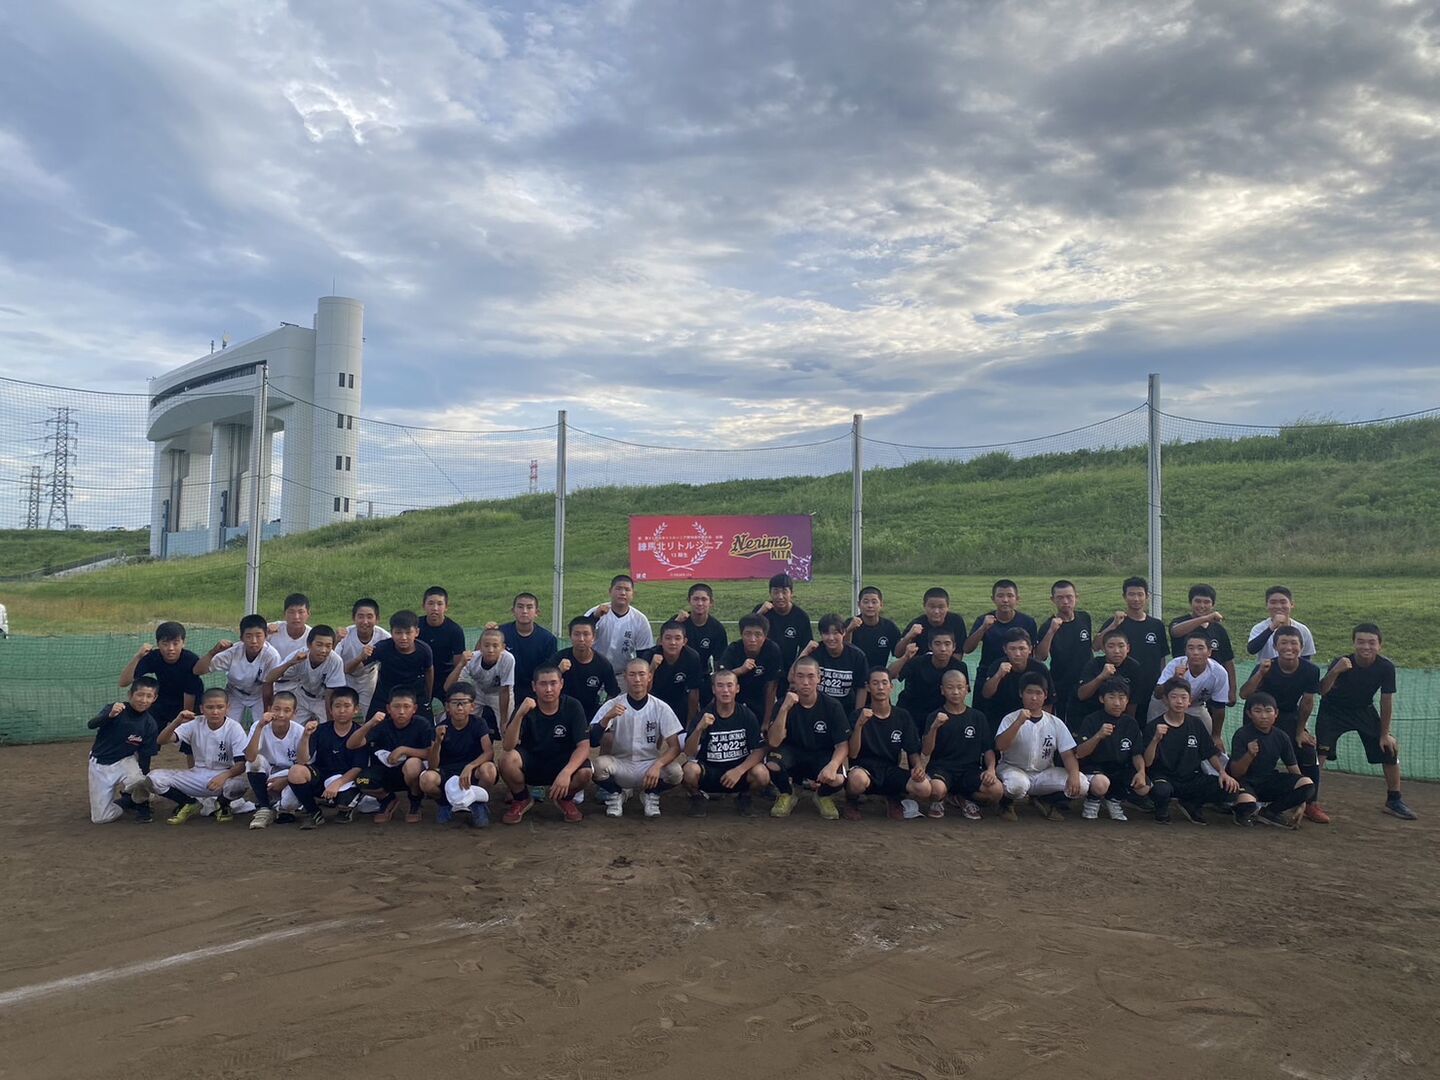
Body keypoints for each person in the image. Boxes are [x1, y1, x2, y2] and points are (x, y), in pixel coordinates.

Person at [1316, 623, 1415, 820]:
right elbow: (1322, 690)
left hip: (1364, 710)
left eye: (1371, 642)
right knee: (1320, 754)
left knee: (1389, 748)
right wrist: (1335, 671)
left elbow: (1386, 700)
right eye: (1360, 642)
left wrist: (1384, 734)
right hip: (1332, 711)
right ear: (1354, 643)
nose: (1366, 647)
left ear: (1380, 645)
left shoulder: (1386, 667)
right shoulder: (1341, 662)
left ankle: (1394, 800)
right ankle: (1309, 801)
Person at [1240, 625, 1326, 823]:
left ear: (1302, 647)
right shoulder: (1266, 666)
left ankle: (1309, 802)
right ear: (1275, 646)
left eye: (1294, 643)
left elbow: (1307, 702)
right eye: (1283, 643)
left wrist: (1300, 731)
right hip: (1260, 716)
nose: (1289, 647)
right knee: (1254, 753)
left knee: (1307, 750)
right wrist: (1260, 674)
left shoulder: (1311, 670)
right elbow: (1244, 694)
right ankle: (1245, 795)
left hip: (1288, 715)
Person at [1143, 680, 1254, 825]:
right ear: (1165, 700)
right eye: (1174, 697)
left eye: (1183, 697)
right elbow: (1147, 762)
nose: (1179, 701)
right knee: (1161, 790)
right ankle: (1161, 809)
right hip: (1165, 778)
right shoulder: (1154, 726)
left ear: (1190, 700)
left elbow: (1209, 752)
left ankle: (1191, 803)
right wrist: (1155, 739)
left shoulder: (1196, 724)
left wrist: (1222, 772)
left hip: (1191, 777)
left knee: (1229, 788)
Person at [498, 664, 593, 824]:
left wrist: (567, 772)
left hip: (561, 763)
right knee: (506, 759)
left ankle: (565, 798)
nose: (548, 689)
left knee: (585, 772)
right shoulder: (526, 706)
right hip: (532, 762)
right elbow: (507, 746)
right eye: (543, 684)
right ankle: (521, 798)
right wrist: (520, 714)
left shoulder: (573, 706)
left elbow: (583, 746)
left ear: (561, 684)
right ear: (534, 686)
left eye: (553, 683)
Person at [591, 658, 685, 818]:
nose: (637, 679)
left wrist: (658, 765)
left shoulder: (660, 707)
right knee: (596, 766)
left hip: (649, 764)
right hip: (620, 764)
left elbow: (675, 747)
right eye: (632, 674)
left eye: (641, 674)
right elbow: (593, 741)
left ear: (649, 676)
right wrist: (606, 718)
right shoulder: (613, 705)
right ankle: (616, 794)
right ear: (625, 677)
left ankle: (650, 794)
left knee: (676, 772)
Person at [143, 688, 252, 824]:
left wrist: (224, 776)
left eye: (220, 707)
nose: (215, 711)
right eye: (210, 707)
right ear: (202, 709)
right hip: (197, 775)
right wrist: (177, 721)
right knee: (153, 779)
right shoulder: (195, 723)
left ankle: (222, 805)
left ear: (227, 708)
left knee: (238, 785)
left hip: (224, 776)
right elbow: (161, 740)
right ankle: (189, 803)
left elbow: (241, 765)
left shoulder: (234, 728)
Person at [994, 674, 1091, 821]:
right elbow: (1000, 746)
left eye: (1038, 693)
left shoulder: (1054, 722)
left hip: (1043, 773)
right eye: (1029, 692)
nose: (1034, 697)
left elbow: (1067, 754)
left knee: (1082, 784)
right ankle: (1006, 804)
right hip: (1013, 768)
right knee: (1017, 785)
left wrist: (1073, 774)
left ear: (1045, 695)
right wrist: (1019, 722)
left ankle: (1046, 800)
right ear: (1021, 693)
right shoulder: (1011, 718)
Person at [765, 656, 849, 819]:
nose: (805, 682)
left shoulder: (833, 706)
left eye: (811, 676)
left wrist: (832, 765)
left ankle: (822, 795)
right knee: (772, 764)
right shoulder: (782, 704)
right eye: (800, 676)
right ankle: (787, 793)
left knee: (838, 779)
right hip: (792, 755)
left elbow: (842, 745)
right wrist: (784, 709)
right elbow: (774, 741)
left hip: (820, 755)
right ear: (794, 678)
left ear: (819, 678)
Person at [680, 669, 769, 817]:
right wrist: (699, 729)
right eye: (720, 686)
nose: (725, 690)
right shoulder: (704, 715)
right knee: (688, 770)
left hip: (738, 773)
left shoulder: (747, 715)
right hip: (709, 771)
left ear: (737, 688)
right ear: (713, 690)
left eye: (729, 685)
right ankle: (698, 798)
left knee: (762, 774)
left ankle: (745, 798)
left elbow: (760, 750)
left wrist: (739, 770)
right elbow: (689, 752)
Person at [844, 669, 928, 820]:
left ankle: (892, 797)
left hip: (890, 770)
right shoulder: (858, 715)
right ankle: (851, 800)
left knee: (924, 788)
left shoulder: (902, 716)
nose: (880, 687)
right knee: (857, 780)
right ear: (868, 687)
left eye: (884, 683)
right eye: (875, 683)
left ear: (891, 687)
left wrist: (918, 767)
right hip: (864, 770)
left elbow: (912, 750)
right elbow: (853, 754)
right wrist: (859, 725)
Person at [918, 669, 1002, 820]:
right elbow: (926, 751)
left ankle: (963, 798)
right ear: (942, 690)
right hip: (942, 769)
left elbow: (988, 749)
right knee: (936, 790)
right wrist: (935, 727)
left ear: (967, 689)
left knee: (996, 791)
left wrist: (991, 769)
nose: (955, 692)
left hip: (970, 770)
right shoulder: (934, 716)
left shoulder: (978, 717)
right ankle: (941, 798)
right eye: (950, 687)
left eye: (960, 687)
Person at [1226, 692, 1316, 829]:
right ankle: (1241, 812)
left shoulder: (1281, 736)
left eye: (1268, 711)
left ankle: (1269, 812)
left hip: (1267, 781)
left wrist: (1301, 802)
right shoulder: (1242, 734)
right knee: (1248, 804)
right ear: (1249, 714)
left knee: (1307, 784)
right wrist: (1249, 755)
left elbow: (1294, 769)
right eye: (1258, 711)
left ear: (1276, 713)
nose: (1263, 716)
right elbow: (1236, 773)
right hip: (1244, 782)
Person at [349, 687, 435, 824]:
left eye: (406, 706)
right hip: (385, 771)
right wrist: (370, 723)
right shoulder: (381, 725)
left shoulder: (421, 724)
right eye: (396, 706)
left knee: (412, 764)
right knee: (361, 780)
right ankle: (387, 799)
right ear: (388, 708)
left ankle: (415, 801)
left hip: (411, 774)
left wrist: (404, 750)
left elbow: (430, 753)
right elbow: (352, 744)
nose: (401, 711)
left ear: (414, 708)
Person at [286, 687, 368, 828]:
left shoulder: (359, 734)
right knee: (296, 771)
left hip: (347, 780)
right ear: (330, 710)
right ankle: (314, 812)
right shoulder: (320, 730)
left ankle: (346, 809)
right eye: (337, 706)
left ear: (356, 710)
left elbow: (358, 768)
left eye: (347, 706)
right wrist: (305, 736)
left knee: (345, 801)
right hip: (323, 777)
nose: (341, 710)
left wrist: (337, 783)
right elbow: (302, 760)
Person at [419, 684, 496, 828]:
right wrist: (438, 742)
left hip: (472, 771)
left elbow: (489, 752)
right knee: (426, 780)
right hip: (447, 772)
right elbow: (433, 765)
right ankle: (445, 803)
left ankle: (477, 803)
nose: (460, 708)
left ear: (472, 706)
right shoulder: (439, 728)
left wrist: (470, 766)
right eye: (455, 703)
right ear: (447, 707)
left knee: (489, 770)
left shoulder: (479, 724)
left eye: (464, 703)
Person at [1071, 678, 1148, 821]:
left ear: (1127, 700)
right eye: (1111, 697)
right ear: (1102, 699)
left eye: (1121, 698)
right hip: (1095, 768)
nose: (1117, 703)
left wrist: (1141, 772)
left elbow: (1136, 753)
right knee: (1101, 784)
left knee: (1144, 787)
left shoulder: (1131, 723)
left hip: (1120, 768)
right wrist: (1098, 736)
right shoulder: (1091, 720)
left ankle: (1114, 800)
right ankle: (1093, 800)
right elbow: (1080, 753)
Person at [86, 676, 159, 824]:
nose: (143, 700)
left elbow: (145, 755)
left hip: (125, 761)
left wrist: (143, 781)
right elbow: (91, 724)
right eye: (140, 695)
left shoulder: (150, 724)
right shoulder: (116, 709)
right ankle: (127, 802)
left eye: (149, 696)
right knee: (101, 818)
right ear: (130, 694)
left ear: (154, 698)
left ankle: (142, 804)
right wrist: (109, 715)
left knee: (140, 782)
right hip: (100, 764)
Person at [118, 623, 204, 747]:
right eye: (165, 643)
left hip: (190, 702)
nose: (170, 648)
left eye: (175, 643)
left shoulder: (191, 660)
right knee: (147, 735)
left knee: (192, 743)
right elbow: (123, 682)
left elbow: (190, 693)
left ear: (183, 643)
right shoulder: (154, 657)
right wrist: (138, 657)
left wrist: (184, 720)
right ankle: (144, 757)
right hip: (163, 701)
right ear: (158, 644)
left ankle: (193, 757)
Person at [194, 614, 282, 726]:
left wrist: (266, 713)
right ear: (241, 638)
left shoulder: (272, 656)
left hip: (259, 695)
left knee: (263, 726)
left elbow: (268, 686)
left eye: (258, 636)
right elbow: (198, 670)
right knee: (227, 725)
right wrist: (213, 652)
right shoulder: (233, 651)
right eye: (248, 636)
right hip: (235, 692)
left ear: (265, 636)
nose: (254, 641)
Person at [1096, 577, 1170, 708]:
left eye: (1140, 594)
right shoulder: (1115, 622)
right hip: (1122, 688)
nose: (1136, 599)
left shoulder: (1156, 625)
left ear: (1147, 596)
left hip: (1150, 687)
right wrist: (1113, 625)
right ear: (1124, 596)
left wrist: (1161, 682)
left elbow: (1162, 657)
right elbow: (1096, 646)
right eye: (1131, 594)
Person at [351, 610, 434, 721]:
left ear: (416, 632)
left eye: (408, 633)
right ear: (392, 633)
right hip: (386, 694)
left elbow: (429, 671)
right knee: (372, 724)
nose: (403, 637)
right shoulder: (382, 648)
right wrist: (360, 657)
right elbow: (349, 669)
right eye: (398, 633)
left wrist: (428, 696)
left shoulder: (424, 650)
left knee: (426, 726)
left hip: (415, 693)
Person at [242, 691, 308, 830]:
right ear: (269, 709)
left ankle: (280, 807)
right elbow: (250, 757)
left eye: (287, 710)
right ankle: (264, 807)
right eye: (277, 709)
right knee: (254, 762)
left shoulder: (299, 731)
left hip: (290, 774)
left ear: (294, 713)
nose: (281, 714)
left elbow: (305, 765)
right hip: (269, 771)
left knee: (289, 804)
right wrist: (260, 726)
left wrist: (285, 780)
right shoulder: (259, 726)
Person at [1150, 633, 1230, 744]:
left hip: (1195, 706)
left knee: (1211, 740)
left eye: (1200, 648)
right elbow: (1157, 694)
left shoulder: (1219, 673)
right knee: (1155, 736)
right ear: (1185, 651)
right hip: (1165, 704)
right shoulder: (1175, 664)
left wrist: (1216, 736)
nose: (1195, 652)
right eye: (1191, 648)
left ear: (1209, 652)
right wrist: (1173, 679)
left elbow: (1219, 707)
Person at [1169, 585, 1237, 710]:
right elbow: (1175, 632)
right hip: (1183, 685)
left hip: (1211, 686)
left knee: (1214, 716)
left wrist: (1232, 689)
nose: (1202, 606)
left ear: (1213, 605)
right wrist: (1205, 618)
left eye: (1206, 602)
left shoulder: (1219, 630)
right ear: (1190, 602)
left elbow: (1228, 660)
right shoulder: (1180, 622)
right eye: (1198, 601)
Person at [1034, 581, 1093, 723]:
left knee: (1087, 719)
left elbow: (1093, 647)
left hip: (1086, 680)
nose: (1065, 601)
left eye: (1069, 597)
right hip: (1061, 682)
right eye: (1060, 598)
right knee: (1063, 721)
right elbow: (1040, 656)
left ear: (1076, 597)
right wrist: (1051, 631)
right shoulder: (1048, 626)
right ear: (1053, 600)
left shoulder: (1085, 618)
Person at [264, 624, 346, 723]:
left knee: (326, 726)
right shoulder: (299, 656)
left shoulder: (336, 661)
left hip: (322, 700)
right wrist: (290, 663)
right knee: (292, 726)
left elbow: (331, 692)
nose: (323, 650)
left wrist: (329, 722)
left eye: (328, 646)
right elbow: (269, 678)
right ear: (309, 644)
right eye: (319, 645)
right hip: (302, 695)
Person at [445, 626, 514, 735]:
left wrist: (504, 721)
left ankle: (508, 743)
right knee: (466, 722)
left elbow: (504, 690)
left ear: (503, 647)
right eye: (486, 645)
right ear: (480, 647)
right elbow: (448, 687)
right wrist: (461, 664)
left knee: (507, 728)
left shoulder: (508, 659)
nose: (490, 650)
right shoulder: (472, 659)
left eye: (495, 646)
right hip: (478, 691)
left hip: (499, 693)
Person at [718, 613, 783, 724]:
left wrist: (767, 721)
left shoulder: (772, 650)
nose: (752, 639)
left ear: (765, 636)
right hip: (735, 697)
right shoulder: (733, 650)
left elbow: (771, 687)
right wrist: (740, 670)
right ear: (741, 634)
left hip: (760, 697)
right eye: (748, 634)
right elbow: (719, 678)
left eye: (758, 635)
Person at [964, 579, 1039, 675]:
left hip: (1019, 673)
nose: (1005, 600)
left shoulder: (1028, 622)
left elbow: (1034, 653)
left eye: (1010, 596)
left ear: (1017, 599)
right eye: (1000, 596)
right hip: (988, 671)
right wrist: (982, 628)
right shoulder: (983, 620)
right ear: (993, 599)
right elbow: (967, 649)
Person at [978, 629, 1052, 724]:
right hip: (1001, 718)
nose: (1017, 654)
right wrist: (998, 675)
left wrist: (1042, 724)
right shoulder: (997, 666)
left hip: (1031, 720)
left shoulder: (1040, 669)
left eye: (1022, 649)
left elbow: (1049, 701)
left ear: (1030, 649)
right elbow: (986, 694)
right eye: (1012, 649)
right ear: (1005, 649)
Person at [891, 628, 968, 720]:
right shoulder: (916, 662)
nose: (943, 649)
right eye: (937, 644)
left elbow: (962, 695)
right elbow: (890, 675)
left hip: (941, 714)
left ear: (954, 647)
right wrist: (905, 657)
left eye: (947, 644)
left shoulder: (960, 667)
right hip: (912, 711)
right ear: (930, 646)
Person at [554, 615, 620, 719]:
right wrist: (558, 671)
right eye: (577, 634)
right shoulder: (560, 658)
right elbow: (543, 684)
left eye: (586, 634)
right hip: (561, 712)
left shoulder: (602, 664)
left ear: (593, 637)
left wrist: (602, 712)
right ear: (570, 636)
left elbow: (613, 692)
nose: (581, 639)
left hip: (590, 715)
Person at [1070, 629, 1145, 722]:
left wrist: (1128, 724)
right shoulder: (1094, 664)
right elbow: (1082, 695)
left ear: (1128, 648)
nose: (1117, 651)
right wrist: (1101, 677)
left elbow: (1133, 701)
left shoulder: (1134, 667)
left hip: (1120, 716)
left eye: (1121, 646)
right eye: (1111, 646)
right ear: (1103, 649)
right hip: (1090, 715)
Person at [587, 574, 655, 674]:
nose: (622, 593)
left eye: (627, 590)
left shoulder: (640, 620)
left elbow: (644, 652)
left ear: (633, 594)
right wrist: (594, 618)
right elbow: (581, 634)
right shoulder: (596, 612)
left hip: (622, 674)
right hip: (594, 671)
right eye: (618, 589)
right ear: (610, 591)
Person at [642, 620, 705, 727]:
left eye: (677, 638)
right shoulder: (649, 656)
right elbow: (644, 690)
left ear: (684, 641)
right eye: (668, 638)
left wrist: (690, 721)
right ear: (661, 641)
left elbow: (694, 691)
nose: (673, 642)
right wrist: (652, 668)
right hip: (655, 703)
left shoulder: (692, 657)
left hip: (679, 703)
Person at [337, 598, 390, 718]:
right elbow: (344, 669)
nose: (365, 621)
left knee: (370, 715)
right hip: (345, 678)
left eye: (369, 617)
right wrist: (360, 657)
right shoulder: (345, 635)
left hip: (369, 678)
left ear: (377, 619)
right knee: (342, 713)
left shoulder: (384, 637)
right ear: (354, 618)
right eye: (360, 617)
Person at [418, 585, 467, 712]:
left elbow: (458, 664)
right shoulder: (416, 626)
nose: (435, 608)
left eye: (439, 604)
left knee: (454, 711)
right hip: (420, 675)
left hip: (445, 675)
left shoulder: (455, 630)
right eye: (431, 603)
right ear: (423, 606)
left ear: (446, 607)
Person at [805, 613, 869, 709]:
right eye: (826, 633)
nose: (831, 638)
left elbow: (862, 687)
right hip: (818, 708)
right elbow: (792, 678)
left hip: (846, 709)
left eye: (835, 633)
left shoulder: (857, 656)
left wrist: (858, 713)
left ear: (844, 632)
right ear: (821, 634)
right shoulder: (814, 652)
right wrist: (805, 651)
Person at [499, 592, 559, 692]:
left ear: (537, 612)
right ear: (513, 611)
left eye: (529, 607)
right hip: (502, 688)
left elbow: (549, 671)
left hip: (535, 691)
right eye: (520, 607)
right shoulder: (500, 634)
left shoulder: (548, 639)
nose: (524, 611)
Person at [753, 572, 813, 670]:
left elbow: (806, 647)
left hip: (789, 668)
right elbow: (748, 633)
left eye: (784, 592)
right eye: (776, 592)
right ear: (770, 593)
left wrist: (795, 668)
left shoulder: (801, 617)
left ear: (791, 593)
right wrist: (759, 614)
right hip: (762, 666)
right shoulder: (762, 611)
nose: (780, 596)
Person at [1247, 586, 1317, 661]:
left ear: (1291, 604)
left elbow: (1306, 657)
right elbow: (1252, 650)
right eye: (1273, 602)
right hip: (1266, 667)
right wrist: (1271, 628)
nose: (1278, 606)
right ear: (1267, 605)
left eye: (1283, 602)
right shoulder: (1259, 628)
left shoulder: (1302, 629)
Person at [897, 587, 967, 658]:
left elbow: (959, 653)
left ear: (947, 607)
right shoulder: (917, 624)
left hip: (949, 663)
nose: (936, 611)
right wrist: (908, 636)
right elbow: (898, 654)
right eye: (932, 607)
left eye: (941, 607)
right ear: (924, 606)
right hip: (921, 663)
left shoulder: (956, 621)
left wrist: (950, 664)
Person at [845, 586, 902, 672]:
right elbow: (843, 650)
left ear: (881, 605)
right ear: (859, 604)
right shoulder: (851, 623)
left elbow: (898, 653)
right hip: (854, 672)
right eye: (866, 602)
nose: (870, 606)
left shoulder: (889, 627)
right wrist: (849, 630)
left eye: (874, 602)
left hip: (878, 674)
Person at [675, 583, 727, 673]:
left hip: (702, 673)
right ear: (689, 601)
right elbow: (660, 645)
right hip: (677, 672)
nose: (699, 603)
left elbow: (719, 661)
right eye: (695, 599)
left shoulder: (717, 628)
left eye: (704, 599)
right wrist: (675, 622)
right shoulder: (679, 621)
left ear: (711, 602)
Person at [266, 593, 312, 694]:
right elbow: (249, 639)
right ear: (284, 614)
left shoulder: (312, 636)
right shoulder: (271, 629)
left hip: (297, 685)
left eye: (301, 612)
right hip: (269, 682)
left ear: (308, 613)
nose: (296, 617)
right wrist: (265, 634)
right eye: (291, 612)